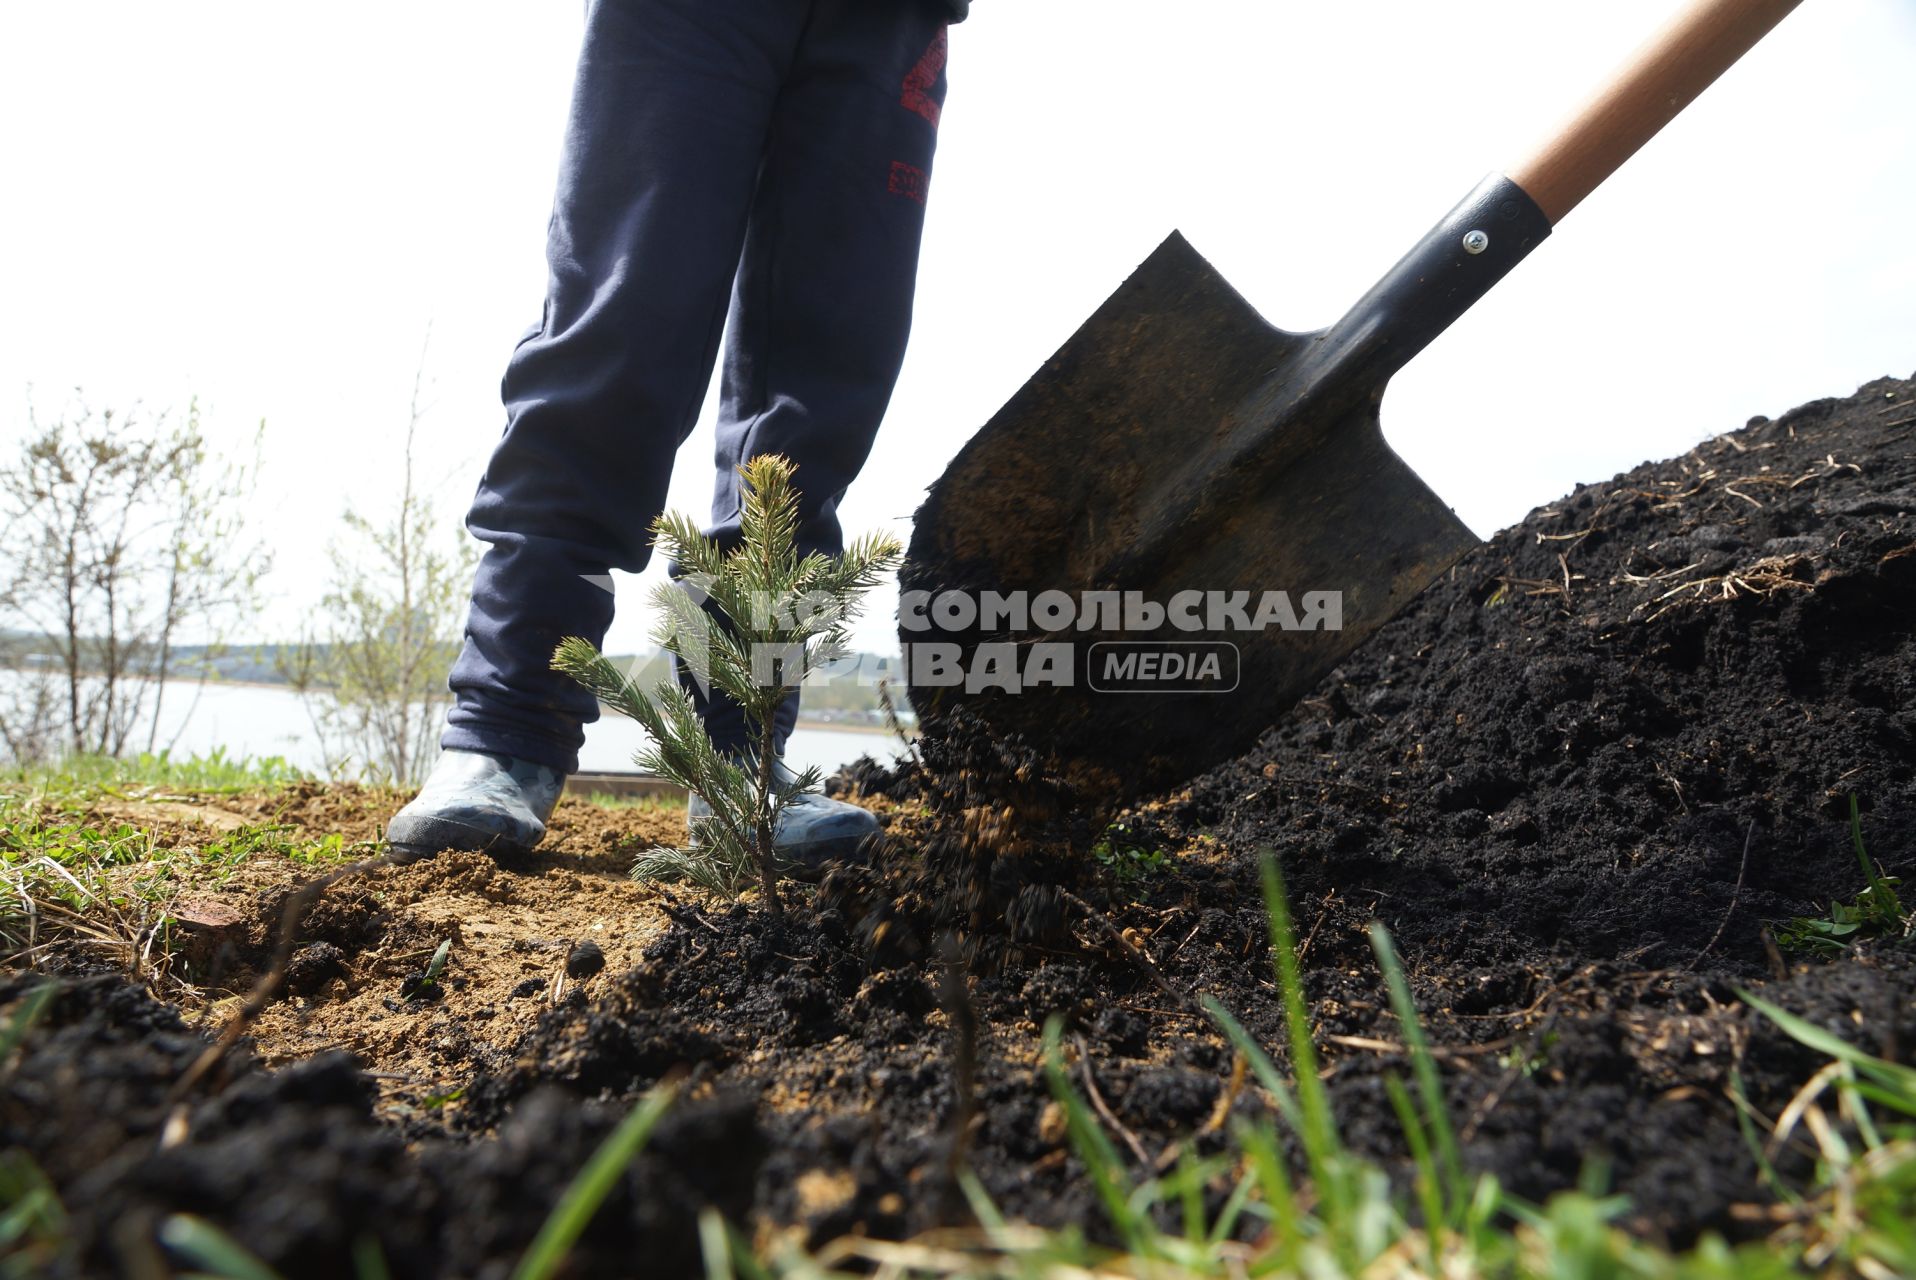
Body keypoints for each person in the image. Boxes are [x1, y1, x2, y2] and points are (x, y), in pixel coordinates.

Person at [386, 0, 964, 870]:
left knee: (817, 398)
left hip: (888, 16)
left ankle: (737, 755)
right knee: (619, 322)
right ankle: (504, 733)